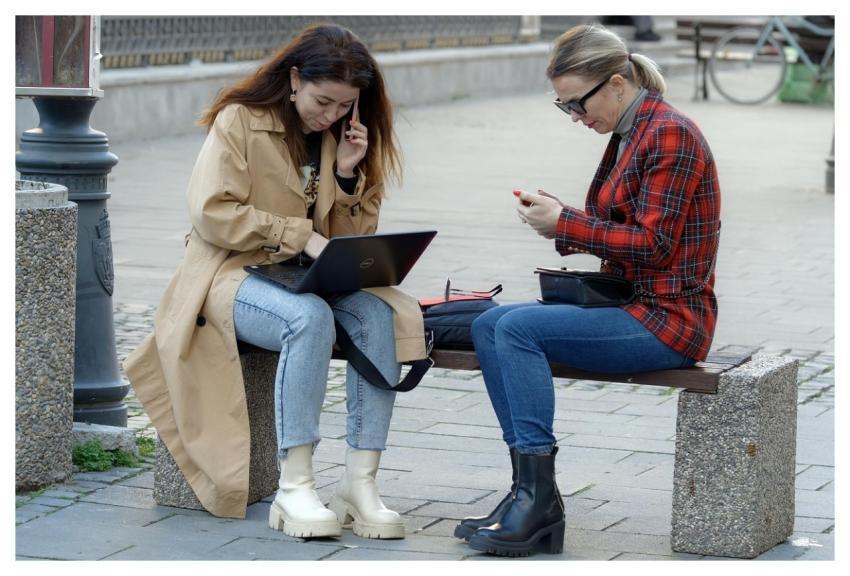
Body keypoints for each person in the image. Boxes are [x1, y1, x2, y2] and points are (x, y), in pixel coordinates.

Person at [125, 23, 428, 540]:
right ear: (294, 78)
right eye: (322, 100)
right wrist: (298, 234)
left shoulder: (341, 140)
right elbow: (211, 212)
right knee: (308, 319)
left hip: (301, 276)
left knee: (378, 314)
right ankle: (296, 486)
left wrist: (350, 177)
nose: (330, 115)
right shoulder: (239, 120)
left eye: (343, 106)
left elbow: (347, 241)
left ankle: (361, 483)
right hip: (226, 274)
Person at [456, 24, 721, 557]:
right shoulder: (630, 131)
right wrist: (562, 216)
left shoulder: (668, 133)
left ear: (617, 83)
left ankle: (537, 500)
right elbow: (617, 225)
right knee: (487, 323)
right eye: (565, 107)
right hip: (632, 305)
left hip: (670, 319)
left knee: (518, 329)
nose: (577, 117)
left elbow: (653, 243)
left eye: (577, 103)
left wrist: (567, 226)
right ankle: (529, 492)